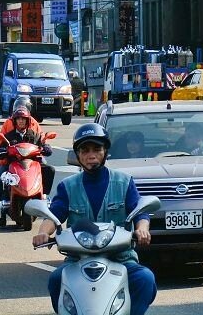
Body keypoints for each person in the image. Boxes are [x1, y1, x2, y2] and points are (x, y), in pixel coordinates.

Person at [33, 124, 155, 315]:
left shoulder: (124, 181)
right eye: (85, 150)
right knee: (56, 280)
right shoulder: (68, 186)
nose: (91, 155)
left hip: (120, 258)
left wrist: (142, 228)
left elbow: (140, 212)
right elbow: (54, 214)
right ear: (78, 155)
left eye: (97, 149)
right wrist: (42, 233)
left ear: (105, 151)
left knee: (145, 279)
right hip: (77, 259)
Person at [0, 101, 53, 222]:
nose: (21, 121)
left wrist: (46, 148)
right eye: (18, 119)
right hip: (12, 164)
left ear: (27, 120)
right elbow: (1, 147)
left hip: (32, 163)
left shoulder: (34, 134)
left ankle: (43, 195)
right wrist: (2, 151)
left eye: (23, 119)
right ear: (15, 120)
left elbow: (43, 143)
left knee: (50, 170)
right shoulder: (8, 135)